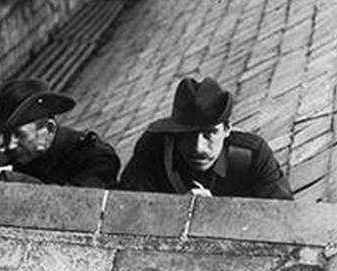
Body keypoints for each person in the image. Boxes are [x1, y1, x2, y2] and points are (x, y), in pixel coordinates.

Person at [118, 76, 293, 199]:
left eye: (209, 134)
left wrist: (215, 214)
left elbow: (282, 220)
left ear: (227, 130)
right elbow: (123, 211)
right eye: (186, 135)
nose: (198, 148)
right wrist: (172, 213)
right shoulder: (154, 149)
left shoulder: (252, 155)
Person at [0, 79, 120, 188]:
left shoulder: (96, 158)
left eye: (20, 135)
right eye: (5, 135)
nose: (10, 145)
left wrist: (6, 179)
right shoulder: (21, 155)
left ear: (49, 129)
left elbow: (70, 207)